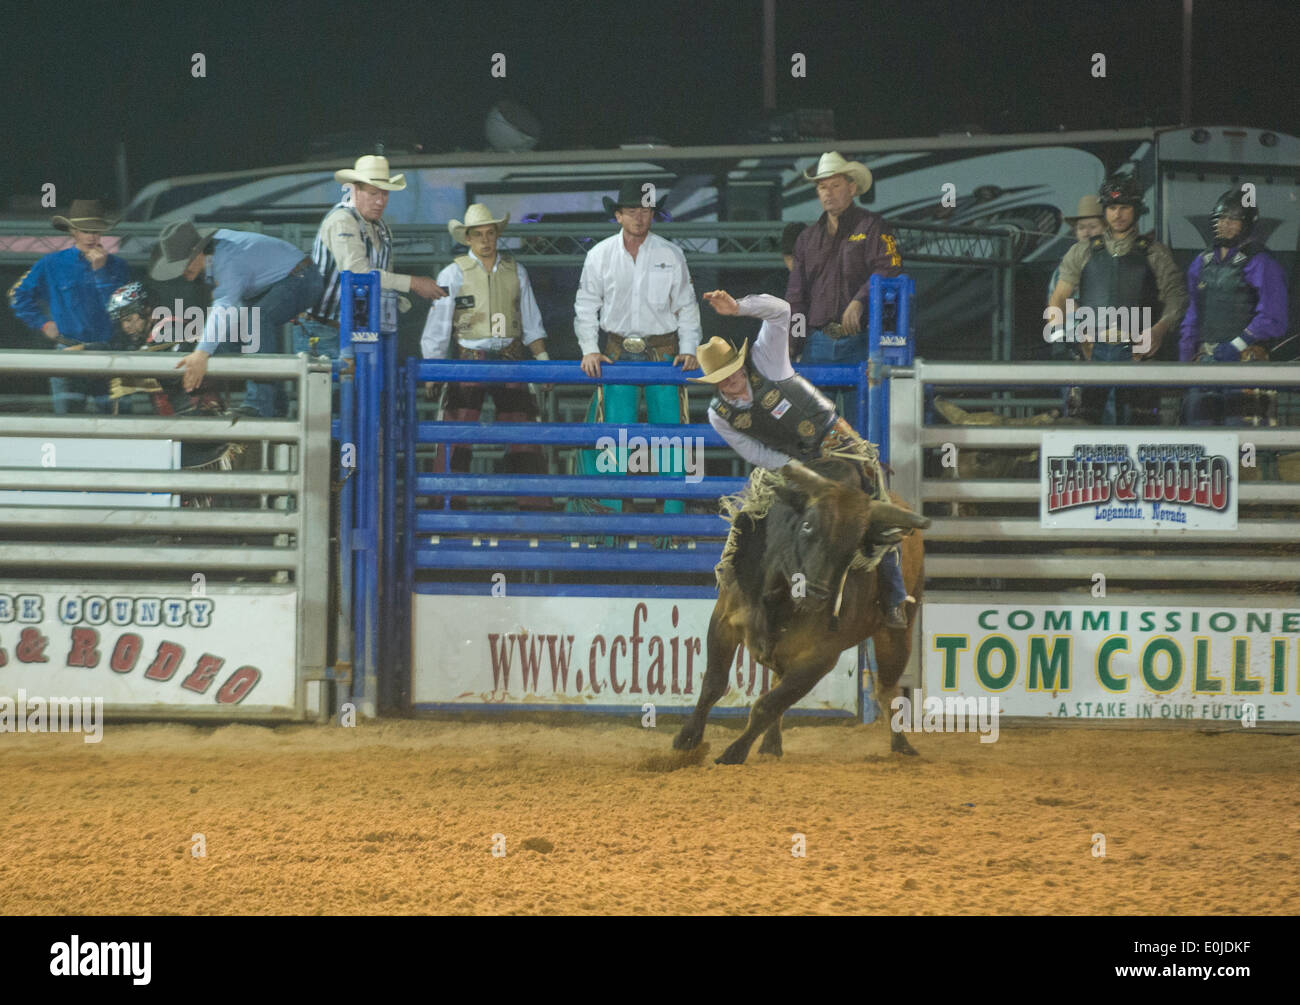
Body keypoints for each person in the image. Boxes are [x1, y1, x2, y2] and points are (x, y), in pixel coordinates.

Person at [694, 289, 912, 629]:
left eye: (734, 370)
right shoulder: (718, 415)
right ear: (715, 384)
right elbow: (753, 452)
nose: (733, 380)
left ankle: (894, 596)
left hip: (832, 438)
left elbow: (781, 311)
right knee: (755, 518)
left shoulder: (766, 360)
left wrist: (739, 308)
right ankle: (750, 593)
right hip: (790, 461)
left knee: (873, 502)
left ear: (741, 362)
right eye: (723, 378)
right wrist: (790, 469)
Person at [574, 180, 701, 515]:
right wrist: (589, 347)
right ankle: (611, 523)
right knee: (614, 435)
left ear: (653, 216)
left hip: (663, 352)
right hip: (616, 354)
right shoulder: (599, 255)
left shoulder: (672, 254)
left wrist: (689, 347)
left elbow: (686, 306)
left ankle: (671, 523)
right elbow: (586, 306)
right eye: (631, 211)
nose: (639, 218)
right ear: (618, 215)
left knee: (670, 436)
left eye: (645, 211)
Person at [420, 203, 550, 498]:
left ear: (496, 235)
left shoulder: (516, 271)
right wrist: (433, 369)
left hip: (510, 357)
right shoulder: (452, 274)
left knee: (524, 436)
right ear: (467, 238)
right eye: (478, 234)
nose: (485, 240)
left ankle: (535, 511)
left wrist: (543, 361)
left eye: (490, 233)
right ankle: (447, 510)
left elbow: (531, 322)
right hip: (469, 359)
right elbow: (438, 326)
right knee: (456, 436)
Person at [1047, 174, 1186, 424]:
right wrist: (1069, 337)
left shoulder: (1155, 253)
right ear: (1105, 210)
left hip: (1139, 353)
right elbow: (1058, 298)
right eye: (1112, 208)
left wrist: (1159, 330)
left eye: (1124, 207)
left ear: (1136, 209)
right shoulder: (1082, 251)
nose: (1117, 214)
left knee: (1137, 424)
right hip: (1092, 352)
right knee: (1085, 424)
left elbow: (1176, 298)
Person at [149, 219, 324, 418]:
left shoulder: (227, 259)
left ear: (198, 253)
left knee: (255, 322)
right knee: (232, 338)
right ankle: (274, 403)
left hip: (300, 278)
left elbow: (225, 305)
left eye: (185, 263)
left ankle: (259, 405)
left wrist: (201, 353)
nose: (182, 271)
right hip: (282, 280)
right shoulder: (216, 255)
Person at [786, 152, 902, 421]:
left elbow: (890, 268)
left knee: (860, 422)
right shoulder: (807, 238)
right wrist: (794, 342)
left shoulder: (872, 226)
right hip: (818, 341)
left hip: (861, 340)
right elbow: (796, 297)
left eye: (835, 186)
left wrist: (860, 299)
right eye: (822, 187)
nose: (828, 193)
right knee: (815, 426)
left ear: (852, 188)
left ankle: (861, 464)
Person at [298, 155, 447, 358]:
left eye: (385, 194)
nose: (380, 201)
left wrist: (398, 299)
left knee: (358, 385)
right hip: (322, 328)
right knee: (339, 385)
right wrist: (413, 283)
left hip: (359, 328)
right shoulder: (342, 220)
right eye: (373, 193)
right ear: (354, 190)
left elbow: (380, 276)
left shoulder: (381, 228)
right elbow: (358, 273)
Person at [1180, 186, 1289, 426]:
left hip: (1245, 362)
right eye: (1221, 218)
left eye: (1233, 219)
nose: (1225, 224)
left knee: (1243, 443)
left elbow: (1273, 317)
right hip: (1206, 360)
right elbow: (1193, 314)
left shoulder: (1261, 262)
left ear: (1247, 223)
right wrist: (1185, 360)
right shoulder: (1202, 262)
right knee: (1201, 440)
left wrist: (1237, 344)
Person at [7, 199, 131, 413]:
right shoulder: (52, 263)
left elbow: (124, 309)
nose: (92, 236)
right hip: (70, 351)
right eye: (86, 230)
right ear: (73, 232)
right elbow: (18, 295)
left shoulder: (118, 267)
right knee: (69, 427)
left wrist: (100, 271)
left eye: (96, 231)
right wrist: (43, 324)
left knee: (119, 426)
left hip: (108, 351)